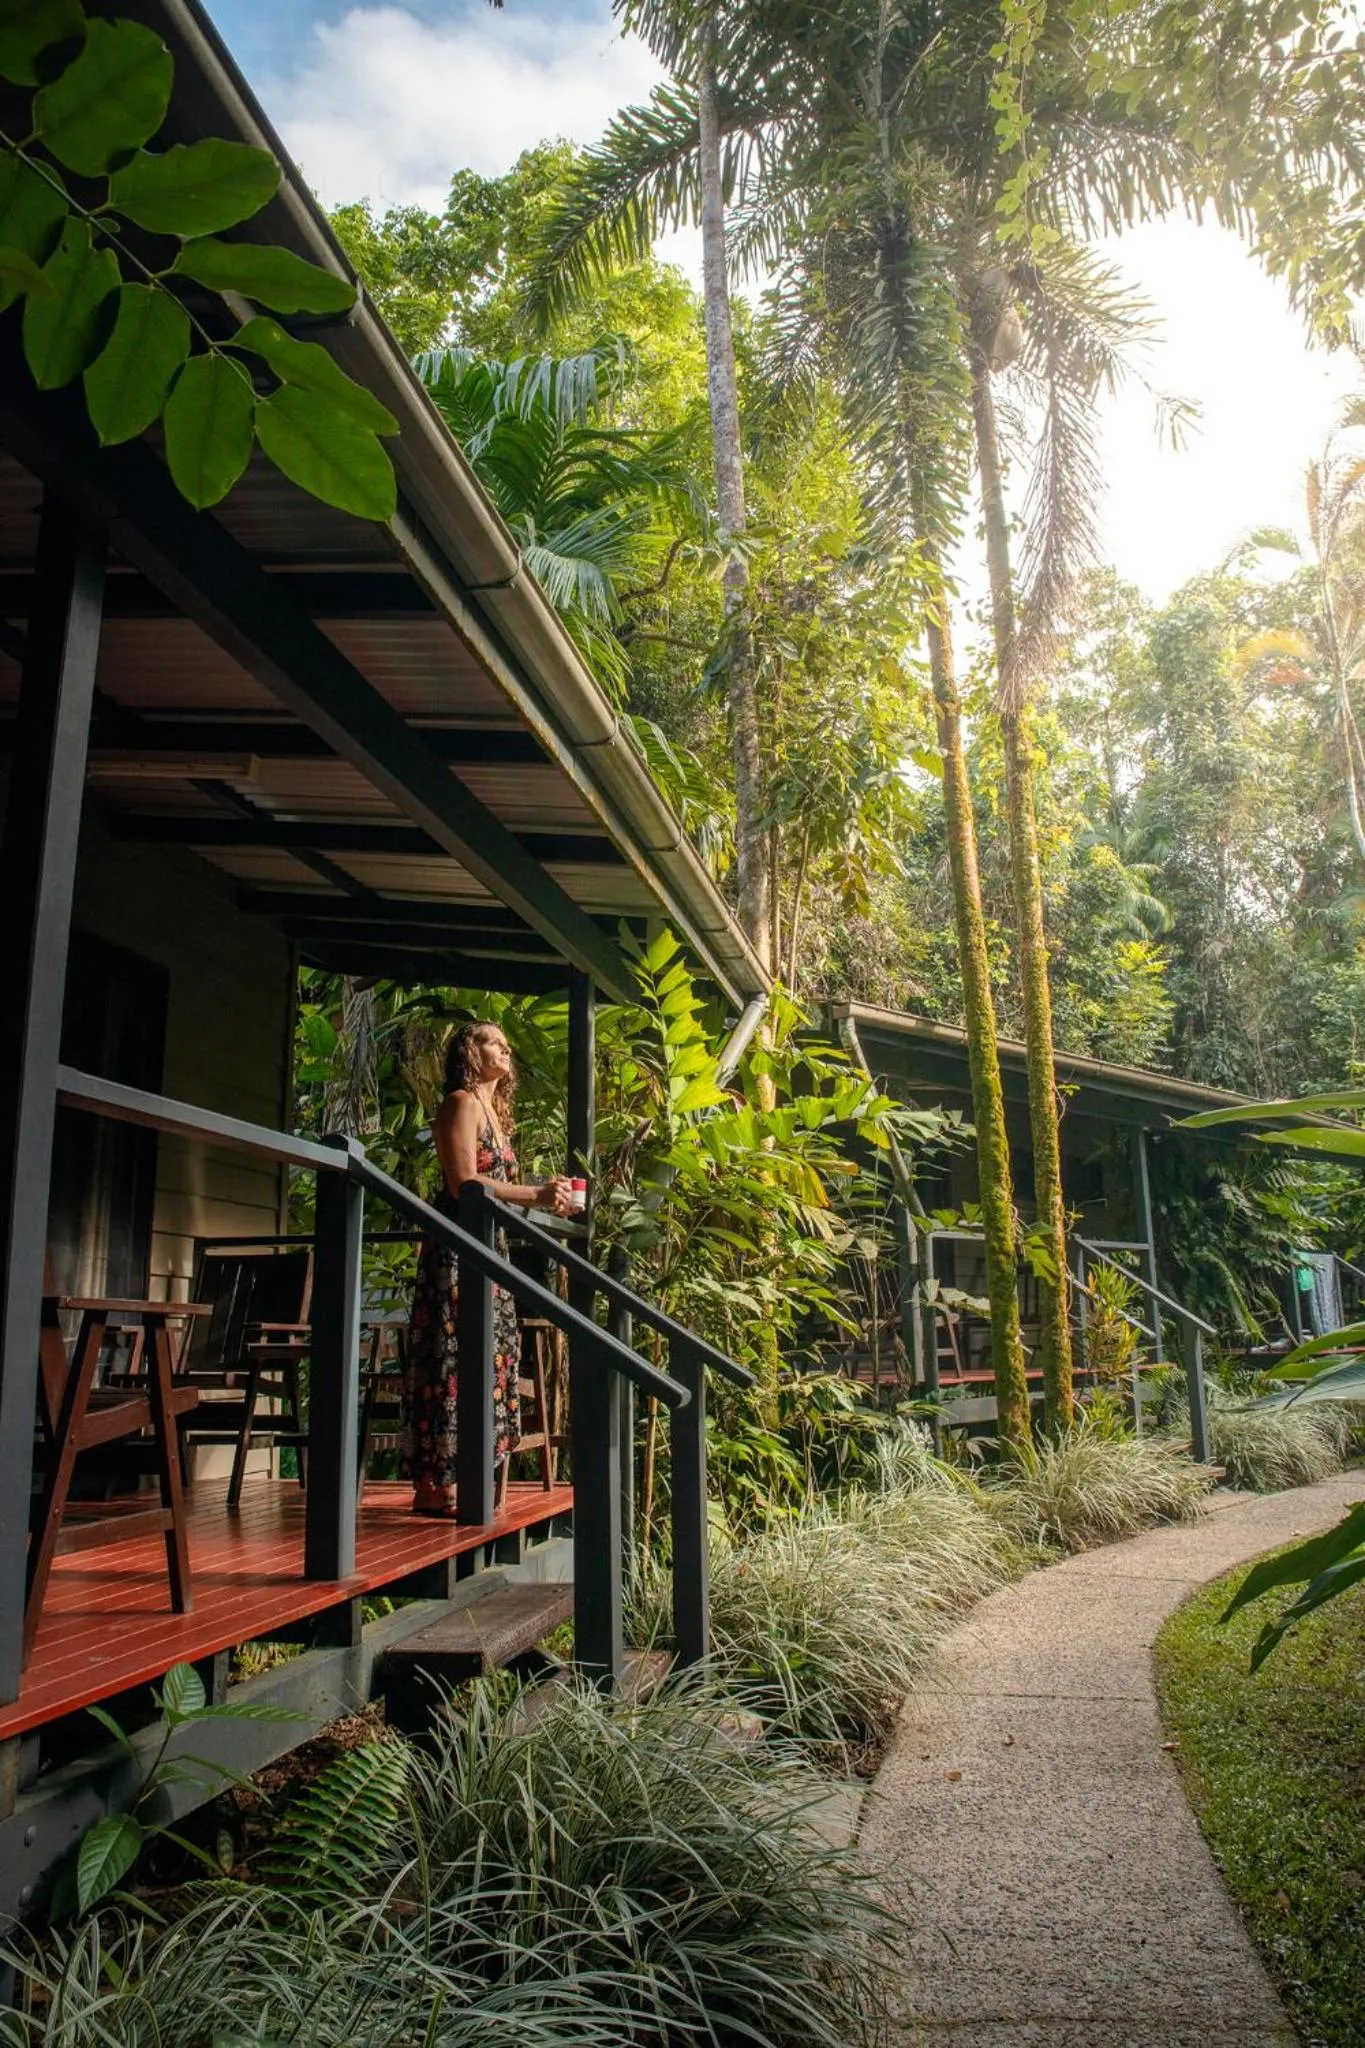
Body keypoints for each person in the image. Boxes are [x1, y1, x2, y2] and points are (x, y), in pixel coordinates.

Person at [403, 1021, 573, 1517]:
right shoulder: (459, 1102)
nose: (505, 1047)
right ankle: (433, 1483)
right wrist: (534, 1193)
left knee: (489, 1357)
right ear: (469, 1052)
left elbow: (504, 1190)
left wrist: (549, 1198)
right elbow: (464, 1184)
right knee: (451, 1356)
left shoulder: (495, 1114)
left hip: (491, 1249)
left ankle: (470, 1472)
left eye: (505, 1040)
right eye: (492, 1040)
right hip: (458, 1247)